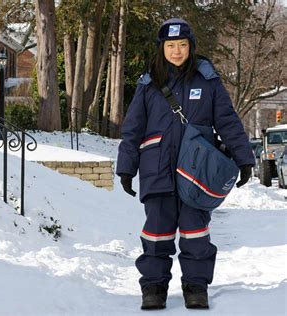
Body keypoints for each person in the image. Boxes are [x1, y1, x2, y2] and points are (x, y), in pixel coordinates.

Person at [116, 18, 254, 310]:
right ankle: (154, 287)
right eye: (170, 45)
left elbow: (227, 121)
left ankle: (196, 286)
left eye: (181, 45)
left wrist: (244, 159)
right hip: (157, 168)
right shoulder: (148, 83)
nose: (176, 51)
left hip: (196, 171)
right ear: (161, 48)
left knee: (195, 230)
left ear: (191, 47)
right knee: (156, 230)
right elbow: (132, 128)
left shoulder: (208, 80)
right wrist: (126, 167)